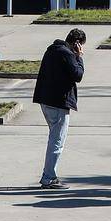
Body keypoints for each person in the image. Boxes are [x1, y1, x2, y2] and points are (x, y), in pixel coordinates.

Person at [32, 28, 85, 189]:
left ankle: (48, 175)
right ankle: (49, 177)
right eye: (81, 45)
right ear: (76, 43)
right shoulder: (68, 54)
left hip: (45, 100)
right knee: (57, 141)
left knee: (53, 138)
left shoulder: (51, 50)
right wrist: (79, 56)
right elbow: (78, 75)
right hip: (59, 103)